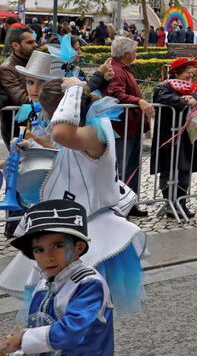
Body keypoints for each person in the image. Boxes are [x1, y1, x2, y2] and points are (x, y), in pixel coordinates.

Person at [0, 77, 147, 313]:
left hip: (94, 233)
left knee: (85, 310)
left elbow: (61, 134)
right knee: (56, 305)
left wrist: (74, 89)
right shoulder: (84, 128)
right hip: (69, 226)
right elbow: (66, 154)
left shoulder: (95, 130)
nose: (48, 121)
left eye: (50, 115)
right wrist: (34, 149)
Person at [0, 201, 115, 356]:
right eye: (39, 250)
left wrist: (20, 338)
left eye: (58, 246)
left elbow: (71, 330)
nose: (48, 257)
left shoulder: (89, 284)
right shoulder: (43, 283)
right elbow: (40, 328)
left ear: (78, 247)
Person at [151, 57, 197, 220]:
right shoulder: (163, 87)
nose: (191, 77)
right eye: (188, 73)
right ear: (177, 73)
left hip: (187, 137)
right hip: (169, 134)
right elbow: (164, 98)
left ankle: (181, 202)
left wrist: (196, 98)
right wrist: (183, 101)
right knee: (168, 168)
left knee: (184, 167)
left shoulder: (194, 88)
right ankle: (170, 202)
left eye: (192, 74)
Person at [105, 37, 154, 218]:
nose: (136, 54)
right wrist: (139, 101)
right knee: (121, 169)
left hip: (131, 127)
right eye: (134, 51)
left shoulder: (122, 68)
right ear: (126, 54)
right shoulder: (116, 70)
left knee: (132, 169)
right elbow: (116, 94)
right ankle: (119, 206)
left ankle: (130, 203)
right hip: (122, 128)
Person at [0, 27, 38, 147]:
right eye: (30, 42)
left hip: (36, 123)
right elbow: (21, 99)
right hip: (16, 127)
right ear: (15, 45)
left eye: (35, 41)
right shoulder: (7, 68)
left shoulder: (36, 61)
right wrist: (45, 101)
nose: (35, 45)